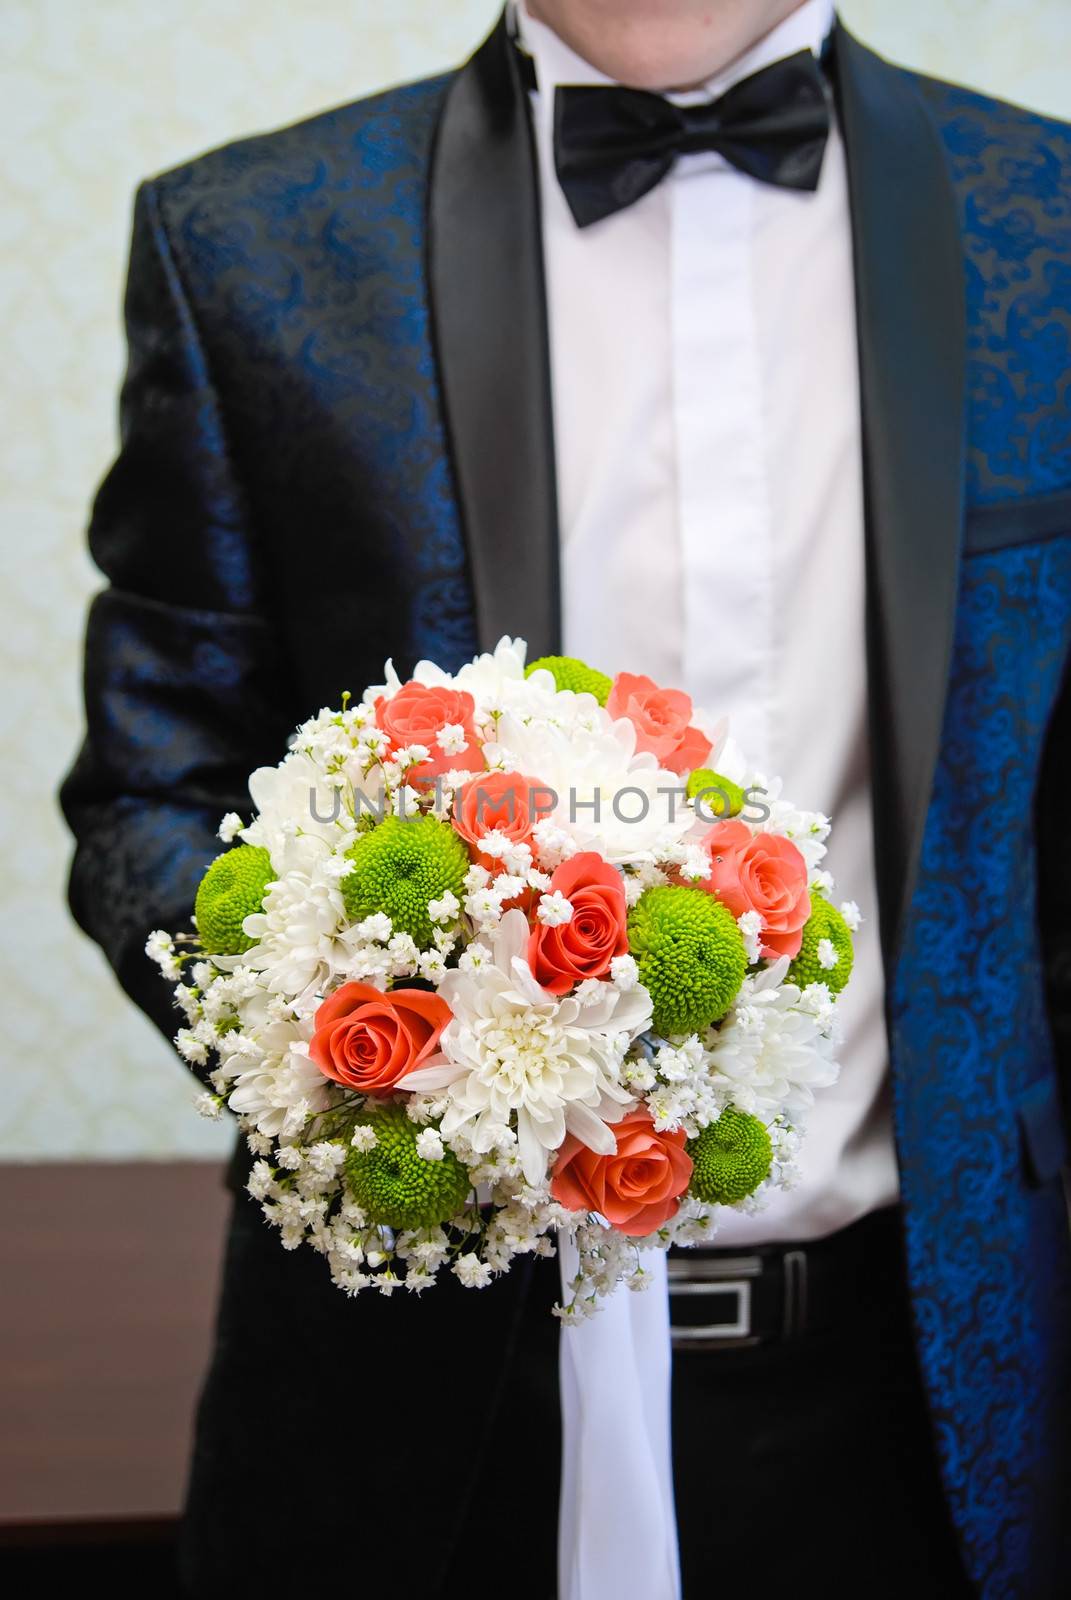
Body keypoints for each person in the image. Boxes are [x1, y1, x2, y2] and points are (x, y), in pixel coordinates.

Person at [61, 1, 1071, 1595]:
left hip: (945, 1400)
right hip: (411, 1418)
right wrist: (375, 1044)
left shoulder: (1052, 220)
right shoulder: (245, 241)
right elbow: (146, 796)